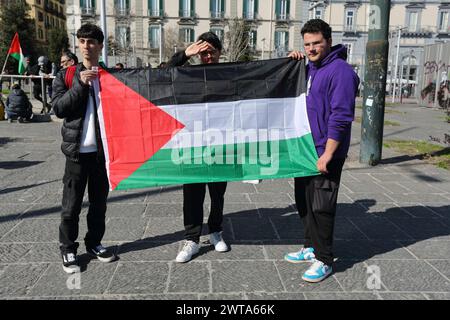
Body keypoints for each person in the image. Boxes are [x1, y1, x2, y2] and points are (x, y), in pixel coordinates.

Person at [284, 19, 359, 283]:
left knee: (322, 207)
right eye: (307, 45)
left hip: (324, 154)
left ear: (328, 41)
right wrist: (294, 62)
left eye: (316, 43)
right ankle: (310, 246)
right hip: (305, 150)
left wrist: (327, 155)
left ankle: (324, 260)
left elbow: (341, 116)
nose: (311, 48)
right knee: (304, 203)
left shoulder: (340, 71)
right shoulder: (310, 67)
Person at [52, 23, 116, 274]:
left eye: (91, 42)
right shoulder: (66, 76)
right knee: (71, 206)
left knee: (99, 204)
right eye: (81, 41)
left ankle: (94, 243)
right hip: (76, 154)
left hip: (102, 155)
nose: (86, 46)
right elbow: (58, 108)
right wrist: (80, 84)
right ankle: (68, 248)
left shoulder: (111, 77)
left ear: (100, 45)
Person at [167, 32, 229, 263]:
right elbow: (163, 73)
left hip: (221, 145)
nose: (207, 56)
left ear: (220, 52)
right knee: (192, 194)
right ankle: (192, 238)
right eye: (203, 52)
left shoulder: (231, 74)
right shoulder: (188, 74)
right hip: (192, 144)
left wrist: (291, 61)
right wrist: (185, 54)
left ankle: (215, 231)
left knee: (217, 194)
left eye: (212, 51)